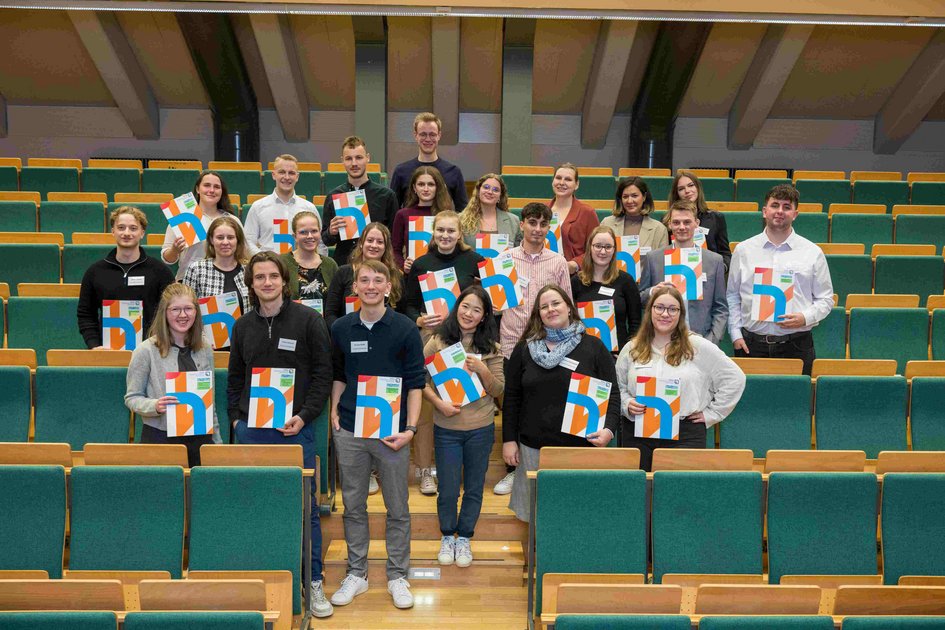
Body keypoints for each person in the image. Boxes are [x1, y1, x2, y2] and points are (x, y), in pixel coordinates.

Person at [226, 251, 333, 618]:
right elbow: (235, 379)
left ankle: (313, 580)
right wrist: (237, 421)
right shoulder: (242, 326)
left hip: (295, 431)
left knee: (305, 510)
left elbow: (323, 376)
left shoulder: (309, 321)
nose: (267, 282)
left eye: (273, 276)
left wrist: (304, 417)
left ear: (284, 281)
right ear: (251, 284)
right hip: (252, 432)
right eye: (260, 277)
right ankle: (262, 582)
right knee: (255, 507)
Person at [329, 259, 425, 610]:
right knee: (353, 506)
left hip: (392, 433)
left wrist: (410, 429)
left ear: (388, 287)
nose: (371, 286)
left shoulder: (405, 329)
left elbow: (416, 383)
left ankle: (398, 575)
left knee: (397, 507)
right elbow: (339, 375)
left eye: (378, 280)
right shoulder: (341, 327)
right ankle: (357, 573)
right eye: (364, 280)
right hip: (350, 430)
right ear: (355, 286)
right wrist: (335, 412)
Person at [502, 284, 620, 521]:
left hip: (579, 448)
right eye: (544, 306)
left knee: (576, 516)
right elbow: (512, 397)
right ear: (538, 314)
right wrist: (509, 440)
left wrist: (608, 430)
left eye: (556, 303)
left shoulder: (594, 346)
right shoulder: (524, 349)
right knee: (536, 517)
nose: (551, 309)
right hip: (533, 448)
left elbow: (613, 395)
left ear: (569, 307)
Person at [616, 285, 745, 471]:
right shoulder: (632, 348)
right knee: (638, 487)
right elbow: (618, 387)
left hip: (685, 434)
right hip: (637, 431)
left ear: (680, 314)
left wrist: (713, 414)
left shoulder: (697, 346)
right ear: (650, 310)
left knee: (678, 488)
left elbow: (735, 378)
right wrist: (627, 403)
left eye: (672, 309)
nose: (665, 314)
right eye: (659, 307)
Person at [404, 210, 485, 495]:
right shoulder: (421, 264)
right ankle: (425, 470)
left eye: (451, 231)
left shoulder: (474, 260)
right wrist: (419, 320)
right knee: (427, 406)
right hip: (432, 339)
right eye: (441, 230)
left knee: (462, 399)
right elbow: (407, 304)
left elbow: (488, 299)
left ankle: (455, 468)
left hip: (466, 341)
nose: (445, 236)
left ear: (460, 233)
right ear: (433, 232)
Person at [493, 201, 572, 496]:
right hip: (512, 344)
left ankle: (544, 467)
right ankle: (512, 471)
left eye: (543, 224)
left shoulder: (558, 262)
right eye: (532, 223)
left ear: (548, 227)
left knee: (541, 406)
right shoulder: (504, 259)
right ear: (522, 224)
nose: (537, 229)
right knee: (513, 405)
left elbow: (567, 306)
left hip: (549, 346)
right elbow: (495, 306)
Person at [422, 286, 504, 567]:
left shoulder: (492, 348)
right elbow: (419, 379)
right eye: (465, 306)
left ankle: (465, 536)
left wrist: (483, 370)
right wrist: (438, 403)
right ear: (457, 308)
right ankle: (447, 535)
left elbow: (498, 389)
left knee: (474, 487)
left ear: (484, 317)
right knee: (447, 488)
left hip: (481, 428)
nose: (469, 313)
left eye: (477, 310)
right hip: (446, 428)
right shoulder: (437, 342)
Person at [726, 184, 834, 376]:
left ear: (795, 214)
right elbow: (733, 295)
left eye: (787, 207)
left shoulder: (813, 252)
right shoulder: (743, 250)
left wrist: (805, 318)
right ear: (764, 211)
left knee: (796, 396)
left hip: (796, 344)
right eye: (775, 205)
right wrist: (735, 333)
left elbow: (826, 299)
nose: (780, 211)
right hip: (751, 345)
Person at [124, 283, 220, 467]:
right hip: (160, 438)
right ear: (165, 313)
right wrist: (155, 405)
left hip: (200, 438)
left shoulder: (205, 348)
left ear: (196, 312)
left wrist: (216, 443)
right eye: (175, 309)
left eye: (188, 308)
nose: (183, 315)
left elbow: (211, 403)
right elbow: (132, 397)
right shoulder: (145, 350)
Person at [77, 206, 175, 349]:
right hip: (108, 353)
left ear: (142, 233)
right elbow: (86, 314)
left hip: (152, 351)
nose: (127, 233)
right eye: (121, 228)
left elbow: (172, 312)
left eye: (133, 228)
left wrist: (160, 343)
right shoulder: (95, 272)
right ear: (113, 231)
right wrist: (95, 346)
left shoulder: (160, 271)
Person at [638, 201, 728, 345]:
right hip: (662, 341)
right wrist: (652, 291)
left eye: (687, 222)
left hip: (701, 340)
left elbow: (721, 308)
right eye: (676, 222)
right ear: (669, 224)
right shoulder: (653, 258)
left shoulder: (714, 260)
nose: (681, 227)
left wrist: (711, 341)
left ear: (696, 223)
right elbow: (640, 299)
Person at [321, 136, 400, 266]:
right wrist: (331, 231)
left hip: (376, 266)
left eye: (359, 157)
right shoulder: (333, 196)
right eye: (348, 158)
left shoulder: (386, 196)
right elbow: (326, 240)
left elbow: (394, 239)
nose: (354, 163)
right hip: (344, 265)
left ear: (367, 158)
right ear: (342, 161)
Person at [182, 216, 252, 349]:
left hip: (245, 345)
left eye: (230, 237)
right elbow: (185, 308)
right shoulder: (197, 269)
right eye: (220, 237)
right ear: (211, 240)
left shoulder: (249, 270)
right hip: (206, 346)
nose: (225, 242)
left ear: (238, 240)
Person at [570, 225, 642, 353]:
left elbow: (635, 323)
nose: (603, 252)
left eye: (608, 247)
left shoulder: (626, 281)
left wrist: (628, 352)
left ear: (614, 250)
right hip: (584, 353)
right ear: (590, 248)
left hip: (618, 355)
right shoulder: (576, 282)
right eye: (598, 246)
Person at [161, 169, 242, 281]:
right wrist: (175, 250)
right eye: (207, 185)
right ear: (198, 189)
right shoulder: (182, 216)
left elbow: (243, 253)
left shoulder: (232, 220)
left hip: (224, 280)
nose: (211, 190)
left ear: (222, 191)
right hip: (188, 280)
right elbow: (167, 259)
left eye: (217, 187)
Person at [324, 222, 403, 331]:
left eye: (380, 242)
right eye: (370, 240)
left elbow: (402, 312)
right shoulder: (343, 272)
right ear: (361, 243)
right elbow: (330, 313)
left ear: (386, 247)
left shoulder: (395, 275)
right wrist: (343, 333)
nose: (374, 245)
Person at [243, 154, 323, 256]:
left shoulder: (309, 208)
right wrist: (265, 260)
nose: (286, 177)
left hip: (301, 265)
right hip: (268, 264)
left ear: (297, 177)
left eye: (291, 173)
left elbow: (320, 244)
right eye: (282, 172)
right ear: (273, 175)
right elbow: (248, 242)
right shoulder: (258, 207)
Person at [389, 112, 468, 212]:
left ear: (439, 135)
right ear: (415, 135)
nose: (428, 139)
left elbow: (463, 211)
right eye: (423, 134)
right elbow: (393, 210)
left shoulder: (453, 172)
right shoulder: (401, 171)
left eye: (432, 134)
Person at [391, 166, 454, 271]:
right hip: (413, 274)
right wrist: (403, 265)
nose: (426, 189)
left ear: (438, 187)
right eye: (421, 184)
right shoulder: (402, 215)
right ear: (414, 188)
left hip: (442, 274)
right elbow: (395, 250)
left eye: (431, 184)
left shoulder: (448, 216)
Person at [670, 169, 732, 271]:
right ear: (676, 193)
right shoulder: (669, 220)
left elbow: (725, 254)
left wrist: (720, 268)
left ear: (698, 187)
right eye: (681, 189)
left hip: (709, 272)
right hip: (678, 272)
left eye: (691, 185)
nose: (687, 191)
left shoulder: (716, 218)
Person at [547, 163, 599, 274]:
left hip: (576, 276)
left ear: (576, 184)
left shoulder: (587, 212)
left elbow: (596, 249)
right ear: (553, 181)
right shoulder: (542, 210)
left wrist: (575, 264)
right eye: (558, 178)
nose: (562, 183)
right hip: (543, 272)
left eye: (568, 179)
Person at [279, 210, 338, 301]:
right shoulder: (282, 263)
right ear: (295, 236)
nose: (310, 236)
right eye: (303, 232)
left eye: (314, 231)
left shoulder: (330, 264)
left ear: (320, 233)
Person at [601, 176, 669, 251]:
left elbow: (661, 257)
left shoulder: (659, 229)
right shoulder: (606, 223)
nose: (629, 201)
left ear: (644, 197)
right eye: (625, 197)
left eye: (634, 196)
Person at [458, 173, 522, 249]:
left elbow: (519, 251)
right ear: (478, 191)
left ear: (500, 196)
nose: (490, 192)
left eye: (495, 190)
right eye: (486, 187)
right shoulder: (461, 219)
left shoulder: (513, 221)